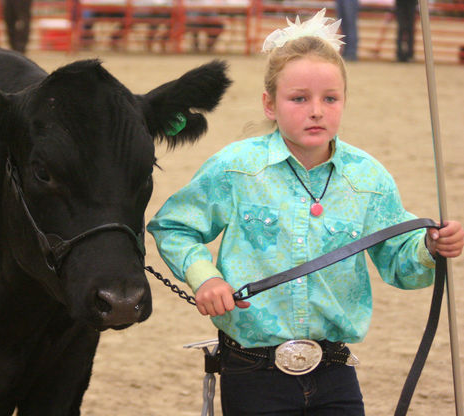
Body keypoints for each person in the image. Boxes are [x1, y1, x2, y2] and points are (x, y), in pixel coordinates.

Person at [147, 9, 463, 415]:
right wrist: (204, 277)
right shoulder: (236, 168)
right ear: (269, 104)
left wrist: (429, 247)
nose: (316, 110)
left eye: (329, 99)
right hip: (251, 370)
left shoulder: (368, 178)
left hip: (335, 370)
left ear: (344, 101)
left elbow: (399, 263)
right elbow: (174, 226)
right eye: (299, 99)